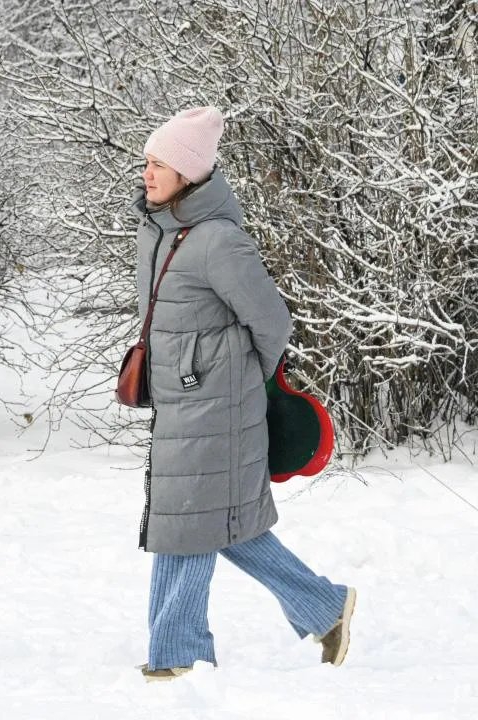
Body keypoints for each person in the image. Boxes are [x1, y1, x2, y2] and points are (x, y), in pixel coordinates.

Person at [131, 106, 355, 681]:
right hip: (181, 403)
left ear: (189, 173)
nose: (148, 172)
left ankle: (178, 655)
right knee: (219, 522)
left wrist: (233, 376)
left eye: (160, 164)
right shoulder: (159, 233)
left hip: (219, 407)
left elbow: (271, 322)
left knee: (187, 518)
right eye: (148, 161)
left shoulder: (218, 241)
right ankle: (324, 607)